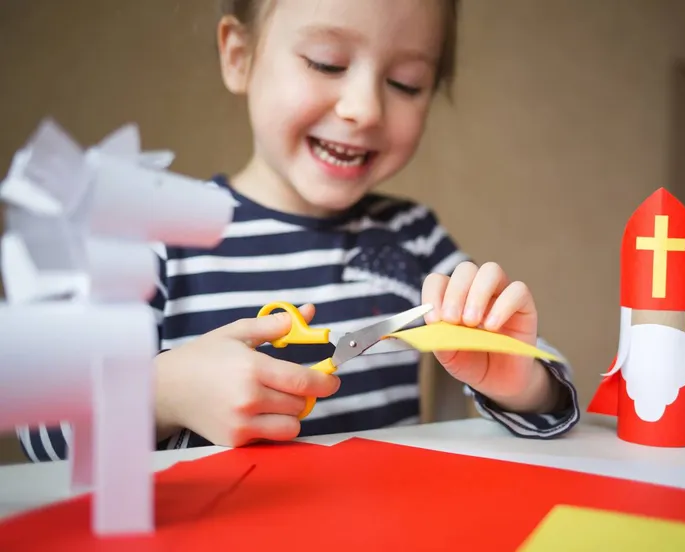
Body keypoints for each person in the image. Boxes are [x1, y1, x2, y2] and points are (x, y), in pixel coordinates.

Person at [17, 0, 579, 461]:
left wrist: (516, 379)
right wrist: (162, 393)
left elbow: (551, 401)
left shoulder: (412, 236)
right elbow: (42, 428)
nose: (364, 108)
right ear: (239, 57)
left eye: (406, 83)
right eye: (327, 63)